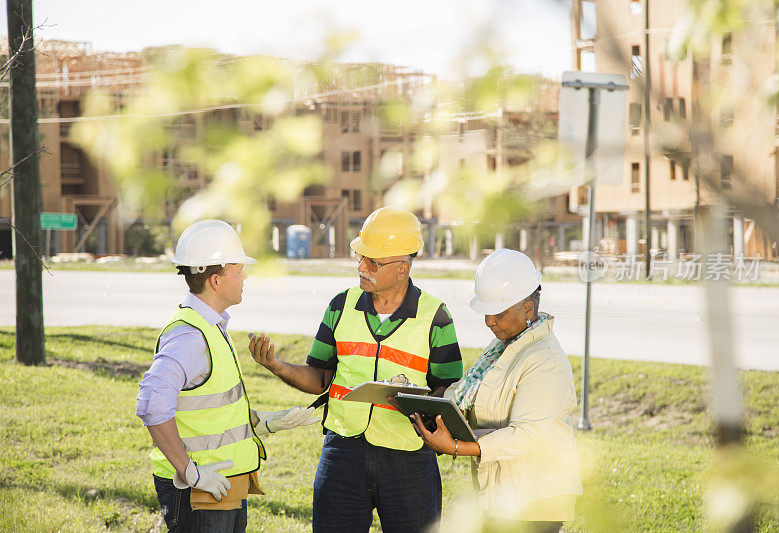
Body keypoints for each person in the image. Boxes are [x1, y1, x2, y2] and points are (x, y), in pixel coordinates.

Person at [248, 206, 464, 533]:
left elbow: (449, 390)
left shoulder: (436, 316)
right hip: (343, 455)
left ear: (403, 268)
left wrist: (422, 406)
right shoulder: (340, 306)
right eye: (360, 256)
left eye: (373, 261)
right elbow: (318, 377)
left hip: (408, 460)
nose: (361, 267)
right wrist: (276, 366)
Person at [136, 219, 319, 533]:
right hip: (197, 491)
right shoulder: (190, 337)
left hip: (221, 485)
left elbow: (209, 408)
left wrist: (265, 420)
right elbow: (151, 404)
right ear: (217, 281)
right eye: (239, 270)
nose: (245, 276)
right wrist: (189, 472)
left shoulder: (210, 327)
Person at [411, 248, 582, 533]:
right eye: (486, 312)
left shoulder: (544, 359)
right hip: (505, 496)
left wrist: (455, 447)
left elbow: (525, 436)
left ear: (528, 309)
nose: (489, 321)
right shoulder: (505, 348)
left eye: (498, 313)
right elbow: (478, 399)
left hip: (534, 500)